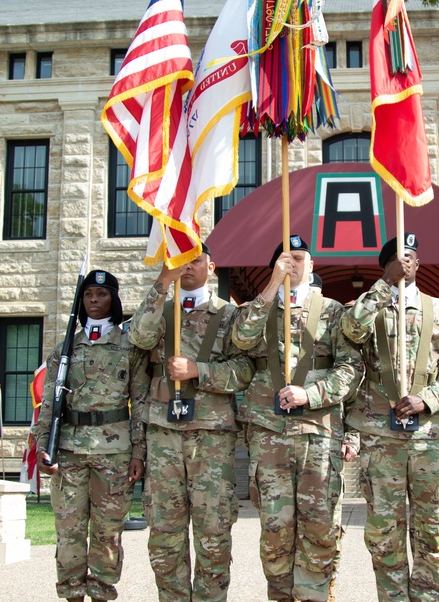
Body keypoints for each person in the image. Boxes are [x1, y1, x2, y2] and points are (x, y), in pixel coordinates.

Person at [231, 235, 363, 602]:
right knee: (275, 528)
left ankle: (316, 597)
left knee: (320, 524)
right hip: (269, 433)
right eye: (285, 259)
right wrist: (272, 284)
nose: (293, 264)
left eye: (300, 257)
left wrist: (313, 394)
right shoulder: (259, 309)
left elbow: (351, 369)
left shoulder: (335, 312)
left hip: (318, 432)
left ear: (313, 264)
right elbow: (241, 340)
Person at [340, 233, 439, 602]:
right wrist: (384, 285)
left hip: (428, 437)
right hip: (380, 438)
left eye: (410, 256)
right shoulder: (366, 306)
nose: (405, 262)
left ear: (420, 264)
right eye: (397, 258)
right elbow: (351, 330)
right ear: (386, 265)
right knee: (384, 532)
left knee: (431, 530)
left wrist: (428, 399)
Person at [127, 244, 254, 602]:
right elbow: (138, 337)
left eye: (195, 260)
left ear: (211, 267)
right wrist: (161, 284)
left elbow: (245, 371)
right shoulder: (160, 311)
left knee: (213, 534)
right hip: (163, 435)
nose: (188, 267)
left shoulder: (229, 315)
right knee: (165, 536)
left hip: (210, 438)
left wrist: (201, 370)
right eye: (181, 260)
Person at [34, 269, 149, 602]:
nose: (94, 301)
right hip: (69, 449)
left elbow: (139, 401)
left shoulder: (129, 346)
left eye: (101, 294)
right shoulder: (66, 347)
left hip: (114, 451)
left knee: (107, 532)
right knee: (68, 530)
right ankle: (71, 594)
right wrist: (44, 447)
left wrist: (139, 452)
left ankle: (100, 593)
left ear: (113, 299)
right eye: (88, 295)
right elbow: (49, 403)